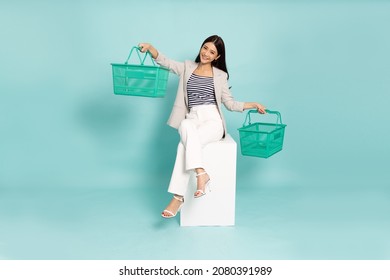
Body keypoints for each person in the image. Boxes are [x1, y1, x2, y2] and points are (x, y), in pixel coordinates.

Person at [138, 35, 266, 219]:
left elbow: (229, 104)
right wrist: (151, 48)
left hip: (213, 120)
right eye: (205, 48)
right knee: (185, 124)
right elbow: (166, 62)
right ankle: (201, 173)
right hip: (192, 117)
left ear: (217, 57)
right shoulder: (187, 67)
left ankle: (178, 197)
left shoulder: (221, 76)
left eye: (212, 52)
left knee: (183, 145)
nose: (206, 53)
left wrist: (252, 104)